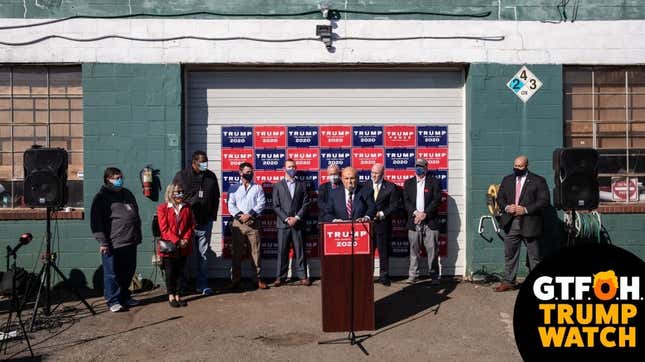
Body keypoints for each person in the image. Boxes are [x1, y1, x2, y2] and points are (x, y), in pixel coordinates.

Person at [494, 155, 550, 292]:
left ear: (527, 166)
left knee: (534, 255)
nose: (517, 168)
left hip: (530, 222)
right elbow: (500, 198)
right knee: (510, 254)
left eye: (520, 166)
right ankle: (509, 282)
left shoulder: (538, 181)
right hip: (511, 222)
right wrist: (507, 207)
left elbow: (544, 201)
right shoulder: (507, 180)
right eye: (515, 165)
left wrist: (524, 209)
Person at [90, 167, 142, 313]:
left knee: (128, 272)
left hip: (130, 240)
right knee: (112, 273)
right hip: (113, 242)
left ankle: (125, 297)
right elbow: (96, 222)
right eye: (115, 178)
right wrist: (103, 242)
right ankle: (113, 300)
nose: (119, 180)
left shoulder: (127, 194)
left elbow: (134, 214)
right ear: (108, 180)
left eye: (120, 177)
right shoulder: (101, 198)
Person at [173, 150, 220, 295]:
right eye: (202, 163)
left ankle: (202, 284)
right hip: (186, 223)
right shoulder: (182, 176)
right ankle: (181, 286)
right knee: (182, 255)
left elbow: (216, 197)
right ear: (194, 163)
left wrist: (212, 216)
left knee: (203, 255)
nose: (205, 165)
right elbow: (174, 196)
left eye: (206, 162)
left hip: (204, 222)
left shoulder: (210, 176)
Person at [272, 159, 312, 287]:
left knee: (300, 251)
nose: (292, 169)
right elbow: (275, 206)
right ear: (284, 168)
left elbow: (306, 203)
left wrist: (296, 218)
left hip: (298, 223)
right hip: (283, 224)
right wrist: (287, 219)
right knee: (282, 251)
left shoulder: (302, 185)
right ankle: (280, 277)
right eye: (289, 167)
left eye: (294, 166)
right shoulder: (277, 186)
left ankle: (302, 276)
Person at [227, 162, 267, 290]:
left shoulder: (258, 188)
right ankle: (235, 280)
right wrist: (240, 216)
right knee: (236, 253)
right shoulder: (233, 188)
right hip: (238, 224)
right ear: (240, 172)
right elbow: (230, 205)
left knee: (255, 253)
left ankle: (257, 279)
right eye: (247, 172)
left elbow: (261, 204)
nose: (250, 173)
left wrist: (249, 215)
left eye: (251, 171)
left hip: (253, 223)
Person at [403, 159, 442, 285]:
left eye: (421, 166)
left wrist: (425, 214)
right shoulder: (408, 183)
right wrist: (416, 213)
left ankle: (434, 276)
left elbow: (436, 200)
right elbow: (406, 201)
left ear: (426, 167)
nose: (419, 168)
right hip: (414, 221)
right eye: (417, 166)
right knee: (414, 250)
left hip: (430, 221)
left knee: (432, 251)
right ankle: (413, 276)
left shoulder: (434, 182)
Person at [363, 163, 401, 286]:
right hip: (367, 225)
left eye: (376, 173)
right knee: (368, 252)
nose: (373, 175)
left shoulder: (391, 187)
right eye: (372, 172)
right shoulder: (365, 186)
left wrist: (382, 214)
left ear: (382, 173)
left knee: (383, 251)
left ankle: (384, 276)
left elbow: (394, 206)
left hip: (383, 224)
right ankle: (368, 276)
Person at [157, 183, 194, 307]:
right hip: (170, 246)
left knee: (180, 271)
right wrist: (178, 240)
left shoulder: (187, 207)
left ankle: (178, 294)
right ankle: (171, 295)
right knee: (170, 272)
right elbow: (164, 229)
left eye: (182, 191)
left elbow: (190, 225)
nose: (180, 194)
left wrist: (186, 239)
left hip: (184, 246)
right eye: (177, 192)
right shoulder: (163, 208)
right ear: (170, 193)